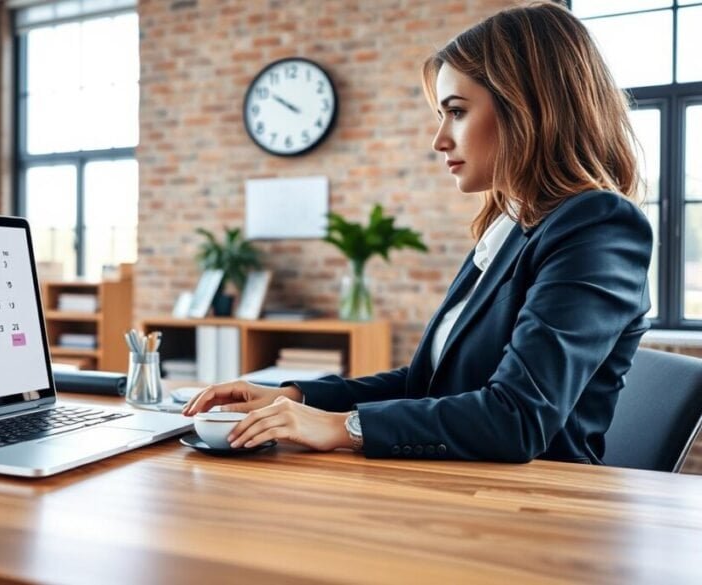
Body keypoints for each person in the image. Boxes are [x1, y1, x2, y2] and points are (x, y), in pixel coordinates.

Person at [182, 2, 652, 464]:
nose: (439, 139)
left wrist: (339, 427)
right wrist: (294, 396)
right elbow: (425, 384)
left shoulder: (598, 226)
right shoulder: (509, 227)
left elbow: (516, 417)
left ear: (527, 107)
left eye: (457, 111)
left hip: (537, 509)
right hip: (455, 492)